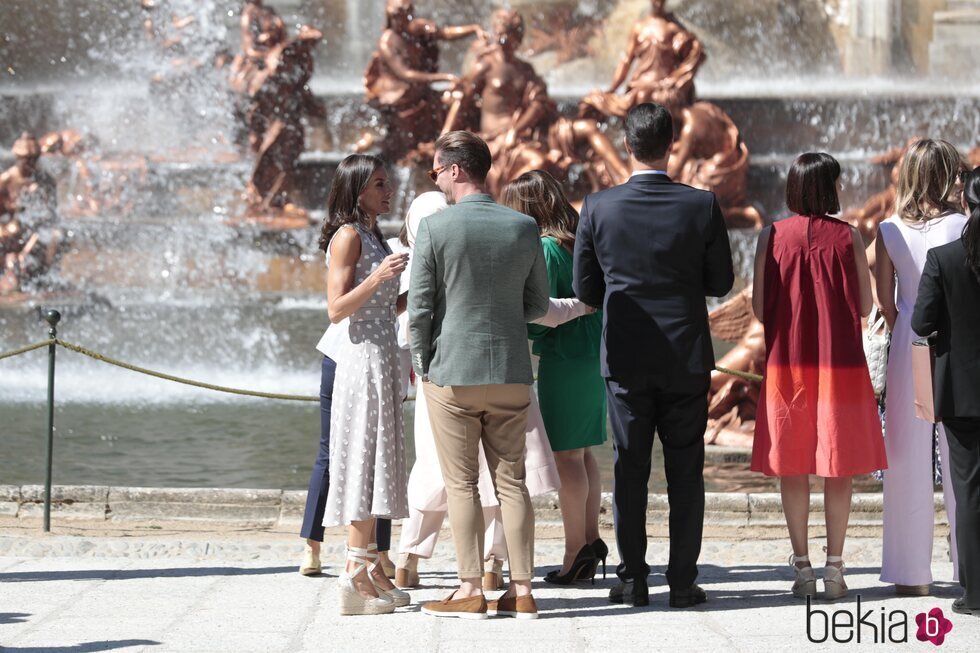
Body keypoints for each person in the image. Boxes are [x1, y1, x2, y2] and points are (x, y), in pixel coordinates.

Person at [573, 102, 734, 608]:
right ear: (672, 146)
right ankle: (682, 581)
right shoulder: (702, 204)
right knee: (686, 468)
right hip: (686, 354)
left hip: (625, 356)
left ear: (627, 146)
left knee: (629, 468)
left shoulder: (597, 207)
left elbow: (586, 290)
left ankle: (633, 578)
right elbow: (723, 282)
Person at [409, 131, 550, 620]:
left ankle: (470, 587)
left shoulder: (435, 228)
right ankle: (523, 591)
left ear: (456, 170)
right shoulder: (524, 227)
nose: (437, 182)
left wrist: (424, 369)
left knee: (462, 485)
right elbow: (537, 305)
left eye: (436, 171)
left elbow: (421, 309)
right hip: (511, 369)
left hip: (453, 372)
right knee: (513, 485)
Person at [750, 153, 887, 600]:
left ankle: (802, 567)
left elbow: (757, 308)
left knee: (793, 466)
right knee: (838, 466)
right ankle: (835, 569)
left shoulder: (770, 236)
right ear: (828, 187)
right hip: (840, 366)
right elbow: (866, 307)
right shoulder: (849, 237)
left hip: (786, 368)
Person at [500, 170, 608, 584]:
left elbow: (538, 312)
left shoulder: (545, 248)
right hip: (591, 354)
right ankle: (591, 539)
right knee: (582, 453)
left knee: (566, 456)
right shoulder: (578, 241)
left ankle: (575, 552)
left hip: (565, 358)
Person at [319, 154, 411, 616]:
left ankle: (371, 562)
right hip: (360, 363)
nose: (388, 190)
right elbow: (336, 309)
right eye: (378, 184)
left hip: (382, 357)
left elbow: (379, 308)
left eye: (387, 183)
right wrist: (379, 276)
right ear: (356, 190)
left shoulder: (373, 233)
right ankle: (354, 571)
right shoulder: (349, 236)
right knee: (362, 459)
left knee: (375, 461)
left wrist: (416, 293)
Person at [875, 139, 968, 596]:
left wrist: (908, 324)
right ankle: (967, 565)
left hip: (909, 341)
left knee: (906, 461)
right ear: (947, 175)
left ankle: (911, 575)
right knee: (962, 458)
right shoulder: (964, 226)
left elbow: (885, 306)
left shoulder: (888, 229)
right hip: (954, 344)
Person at [911, 166, 980, 617]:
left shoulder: (945, 257)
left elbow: (920, 323)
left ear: (965, 203)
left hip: (961, 393)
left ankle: (975, 595)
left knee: (970, 491)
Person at [579, 0, 704, 121]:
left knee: (643, 98)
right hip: (638, 86)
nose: (658, 2)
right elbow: (626, 61)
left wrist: (677, 81)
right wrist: (612, 89)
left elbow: (695, 55)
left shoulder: (674, 28)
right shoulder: (639, 27)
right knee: (591, 101)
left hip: (661, 87)